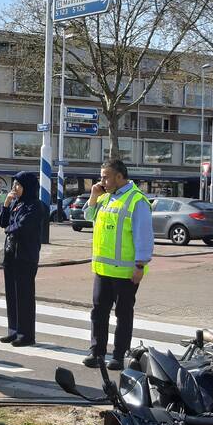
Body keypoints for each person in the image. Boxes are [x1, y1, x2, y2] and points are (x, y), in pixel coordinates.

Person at [82, 159, 153, 371]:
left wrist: (140, 266)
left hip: (126, 272)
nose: (102, 180)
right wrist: (93, 197)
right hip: (103, 270)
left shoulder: (136, 201)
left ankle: (118, 355)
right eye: (101, 176)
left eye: (106, 176)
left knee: (123, 314)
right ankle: (96, 353)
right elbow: (87, 216)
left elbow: (144, 237)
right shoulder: (104, 198)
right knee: (98, 313)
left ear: (120, 177)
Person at [0, 171, 43, 347]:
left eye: (18, 185)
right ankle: (14, 330)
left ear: (27, 187)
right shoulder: (17, 203)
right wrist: (6, 204)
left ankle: (26, 334)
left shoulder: (35, 205)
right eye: (14, 185)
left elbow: (23, 226)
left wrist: (9, 228)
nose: (14, 188)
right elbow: (3, 222)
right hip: (11, 255)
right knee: (12, 295)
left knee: (24, 296)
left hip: (25, 256)